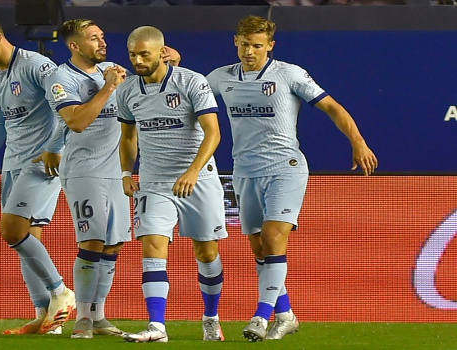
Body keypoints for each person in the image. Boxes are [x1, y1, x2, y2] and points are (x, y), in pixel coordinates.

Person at [206, 15, 378, 342]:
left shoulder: (289, 74)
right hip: (244, 170)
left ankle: (260, 317)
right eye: (244, 44)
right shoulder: (221, 77)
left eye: (257, 45)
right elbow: (189, 95)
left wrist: (358, 142)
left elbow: (332, 107)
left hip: (285, 166)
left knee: (273, 237)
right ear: (235, 42)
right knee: (259, 246)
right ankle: (285, 314)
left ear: (270, 45)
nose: (249, 51)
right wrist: (172, 62)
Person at [43, 19, 180, 339]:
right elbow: (76, 122)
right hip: (84, 169)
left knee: (113, 245)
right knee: (91, 242)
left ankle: (98, 317)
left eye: (102, 36)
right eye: (93, 39)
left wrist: (167, 62)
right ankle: (82, 322)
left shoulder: (114, 69)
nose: (102, 43)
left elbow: (146, 90)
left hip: (117, 170)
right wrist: (107, 87)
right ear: (74, 46)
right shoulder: (61, 78)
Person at [0, 13, 75, 335]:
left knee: (12, 231)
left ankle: (61, 292)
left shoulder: (38, 66)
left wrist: (55, 148)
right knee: (25, 240)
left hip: (42, 163)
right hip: (12, 163)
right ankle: (45, 317)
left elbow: (64, 110)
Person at [117, 25, 228, 343]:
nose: (137, 60)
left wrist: (193, 171)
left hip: (199, 180)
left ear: (161, 51)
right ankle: (157, 326)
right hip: (154, 182)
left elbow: (213, 133)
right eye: (132, 54)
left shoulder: (192, 82)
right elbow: (128, 136)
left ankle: (210, 317)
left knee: (206, 253)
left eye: (144, 54)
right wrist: (126, 172)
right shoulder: (127, 91)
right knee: (152, 245)